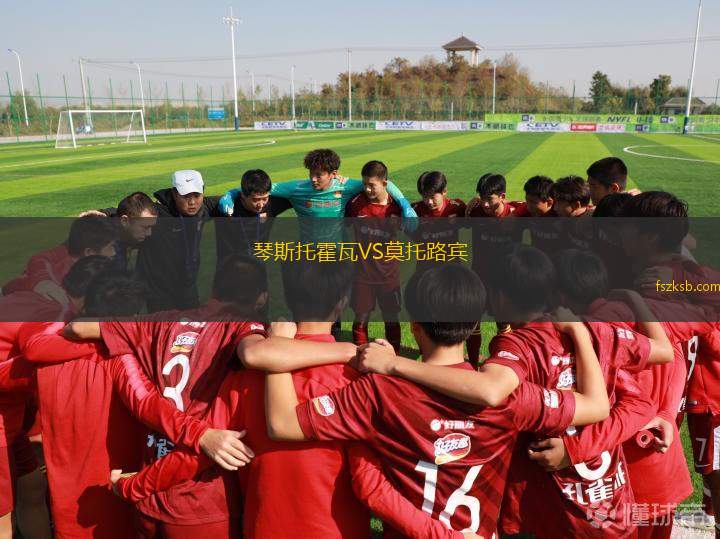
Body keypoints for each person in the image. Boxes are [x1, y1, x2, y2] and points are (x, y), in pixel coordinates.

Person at [113, 259, 467, 539]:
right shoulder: (363, 380)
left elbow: (201, 451)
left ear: (287, 298)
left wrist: (134, 485)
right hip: (339, 529)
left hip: (264, 527)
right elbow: (374, 481)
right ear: (342, 303)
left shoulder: (243, 378)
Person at [261, 263, 612, 538]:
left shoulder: (379, 392)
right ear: (474, 325)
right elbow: (597, 406)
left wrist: (277, 351)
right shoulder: (512, 399)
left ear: (414, 326)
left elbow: (283, 424)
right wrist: (579, 334)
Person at [64, 254, 268, 538]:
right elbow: (255, 353)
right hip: (199, 502)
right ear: (261, 299)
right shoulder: (243, 331)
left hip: (150, 496)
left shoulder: (162, 320)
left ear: (213, 290)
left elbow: (76, 328)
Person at [135, 170, 225, 312]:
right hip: (160, 293)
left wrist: (232, 195)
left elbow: (240, 198)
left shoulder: (204, 208)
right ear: (174, 194)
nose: (192, 202)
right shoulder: (157, 212)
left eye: (197, 195)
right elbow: (127, 212)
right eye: (185, 196)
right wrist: (104, 213)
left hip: (188, 289)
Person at [465, 173, 524, 366]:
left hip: (505, 281)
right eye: (481, 198)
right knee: (473, 323)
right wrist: (468, 207)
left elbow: (541, 206)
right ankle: (472, 365)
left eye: (490, 199)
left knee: (504, 324)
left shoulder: (517, 214)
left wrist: (517, 213)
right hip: (479, 277)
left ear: (503, 196)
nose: (485, 204)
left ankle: (503, 365)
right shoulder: (475, 211)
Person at [344, 160, 403, 353]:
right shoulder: (355, 204)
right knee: (361, 319)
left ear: (385, 184)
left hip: (389, 275)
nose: (367, 189)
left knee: (391, 319)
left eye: (372, 185)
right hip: (362, 274)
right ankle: (359, 357)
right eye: (364, 184)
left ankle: (393, 357)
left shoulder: (397, 207)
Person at [2, 215, 117, 304]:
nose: (114, 253)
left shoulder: (72, 257)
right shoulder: (60, 283)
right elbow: (40, 260)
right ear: (89, 252)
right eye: (111, 247)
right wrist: (43, 282)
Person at [214, 169, 290, 263]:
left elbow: (297, 196)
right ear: (243, 195)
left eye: (265, 199)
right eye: (255, 200)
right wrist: (230, 194)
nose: (261, 205)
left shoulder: (272, 204)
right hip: (230, 266)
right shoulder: (226, 205)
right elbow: (200, 203)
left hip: (258, 266)